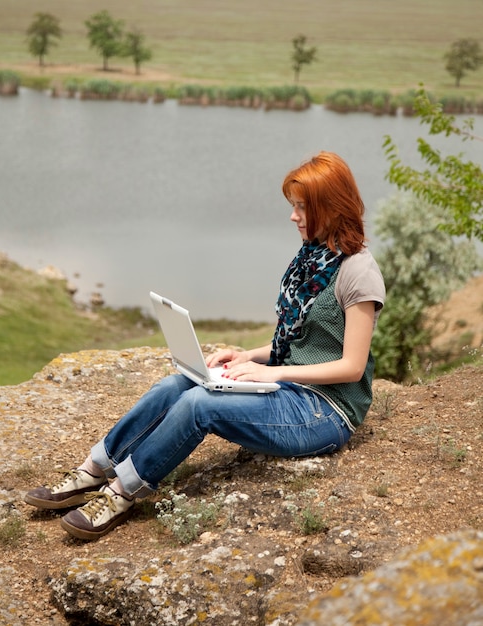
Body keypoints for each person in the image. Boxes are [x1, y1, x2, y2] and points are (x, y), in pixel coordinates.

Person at [24, 151, 385, 541]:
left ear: (331, 208)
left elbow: (351, 365)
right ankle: (93, 469)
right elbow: (303, 343)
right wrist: (249, 356)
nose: (293, 216)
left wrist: (273, 371)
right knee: (175, 385)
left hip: (325, 411)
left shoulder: (358, 273)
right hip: (289, 389)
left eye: (302, 207)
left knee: (200, 405)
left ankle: (121, 492)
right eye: (293, 206)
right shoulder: (314, 258)